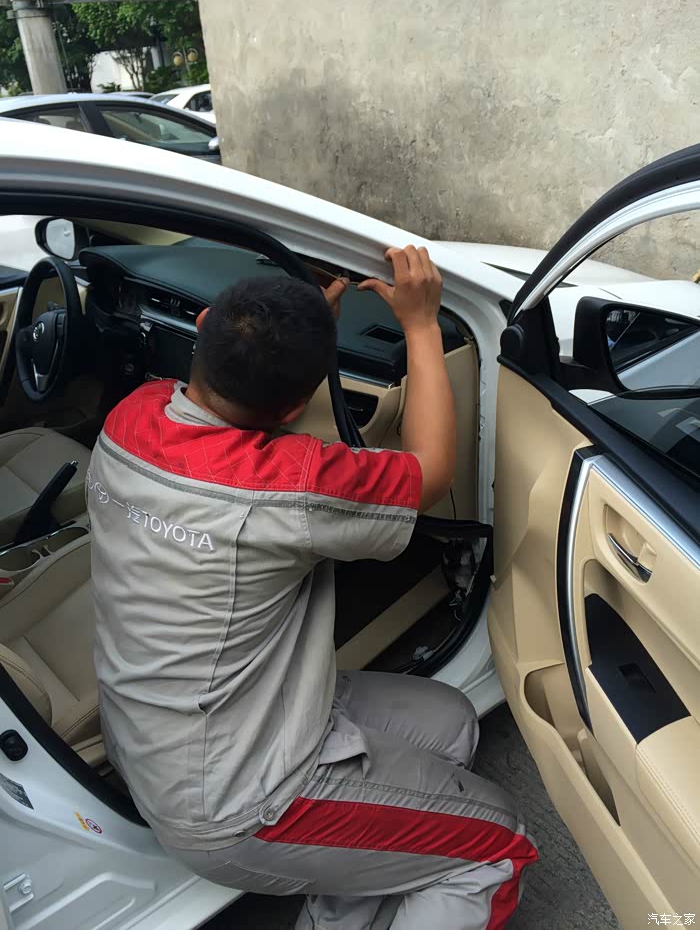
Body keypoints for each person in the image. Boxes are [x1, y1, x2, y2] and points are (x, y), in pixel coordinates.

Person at [88, 245, 536, 930]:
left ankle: (345, 889)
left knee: (451, 721)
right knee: (497, 846)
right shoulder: (294, 483)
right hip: (241, 799)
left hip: (164, 734)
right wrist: (421, 324)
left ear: (203, 326)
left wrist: (300, 327)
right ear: (301, 402)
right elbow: (432, 470)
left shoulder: (133, 413)